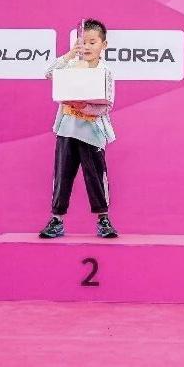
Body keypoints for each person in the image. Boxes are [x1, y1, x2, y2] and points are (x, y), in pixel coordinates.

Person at [38, 19, 118, 239]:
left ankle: (103, 219)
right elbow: (48, 73)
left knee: (96, 177)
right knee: (62, 176)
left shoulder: (105, 72)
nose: (88, 46)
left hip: (93, 133)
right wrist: (69, 55)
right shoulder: (71, 66)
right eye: (84, 42)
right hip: (67, 130)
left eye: (93, 42)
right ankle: (56, 220)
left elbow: (107, 106)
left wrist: (84, 106)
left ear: (104, 44)